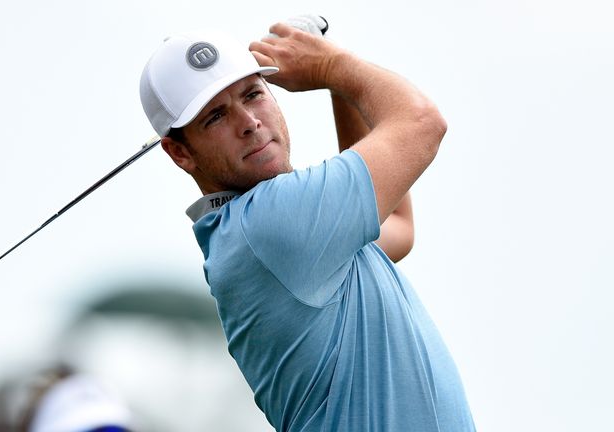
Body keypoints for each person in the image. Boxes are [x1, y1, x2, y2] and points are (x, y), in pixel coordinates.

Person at [139, 16, 475, 432]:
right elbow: (423, 123)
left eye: (253, 94)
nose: (248, 122)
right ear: (180, 153)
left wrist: (338, 84)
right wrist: (332, 66)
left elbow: (397, 228)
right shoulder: (270, 223)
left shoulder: (263, 233)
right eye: (216, 117)